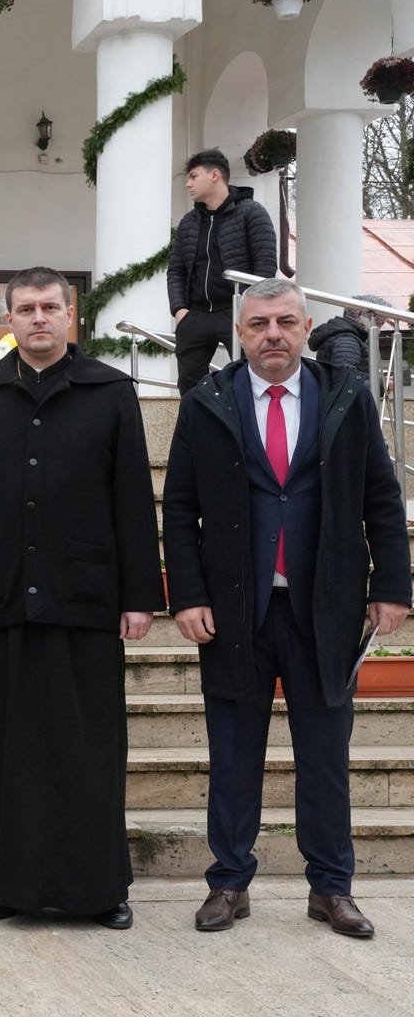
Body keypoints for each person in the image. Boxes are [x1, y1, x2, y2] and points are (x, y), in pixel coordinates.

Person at [162, 276, 410, 938]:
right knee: (233, 755)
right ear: (239, 334)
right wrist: (187, 595)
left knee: (325, 758)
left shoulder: (346, 397)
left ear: (304, 329)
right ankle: (228, 881)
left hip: (324, 609)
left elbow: (381, 497)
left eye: (285, 323)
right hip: (234, 613)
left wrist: (391, 586)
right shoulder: (206, 402)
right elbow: (179, 507)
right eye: (258, 324)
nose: (272, 334)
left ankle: (331, 888)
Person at [0, 265, 164, 929]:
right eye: (26, 308)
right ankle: (5, 883)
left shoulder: (110, 391)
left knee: (88, 747)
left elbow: (132, 498)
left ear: (70, 315)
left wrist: (140, 596)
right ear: (7, 319)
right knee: (7, 748)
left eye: (49, 307)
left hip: (86, 597)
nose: (38, 318)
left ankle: (100, 888)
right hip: (3, 594)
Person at [167, 148, 277, 394]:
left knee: (250, 380)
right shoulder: (189, 222)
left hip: (237, 312)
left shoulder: (252, 212)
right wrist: (179, 310)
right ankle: (198, 421)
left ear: (214, 175)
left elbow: (266, 265)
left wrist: (250, 309)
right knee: (189, 385)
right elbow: (176, 269)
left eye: (193, 176)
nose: (188, 184)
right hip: (195, 315)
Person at [308, 294, 391, 371]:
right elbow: (347, 378)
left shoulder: (346, 337)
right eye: (378, 323)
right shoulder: (347, 341)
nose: (379, 330)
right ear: (362, 317)